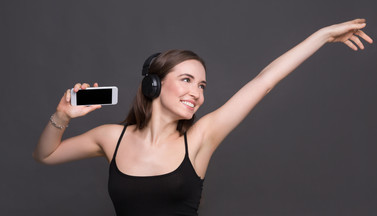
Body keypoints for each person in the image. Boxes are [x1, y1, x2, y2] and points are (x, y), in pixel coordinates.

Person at [33, 19, 373, 216]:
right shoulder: (111, 137)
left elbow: (264, 82)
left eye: (202, 85)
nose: (196, 92)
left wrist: (323, 36)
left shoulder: (201, 138)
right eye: (186, 80)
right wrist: (62, 114)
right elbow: (46, 155)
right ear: (153, 84)